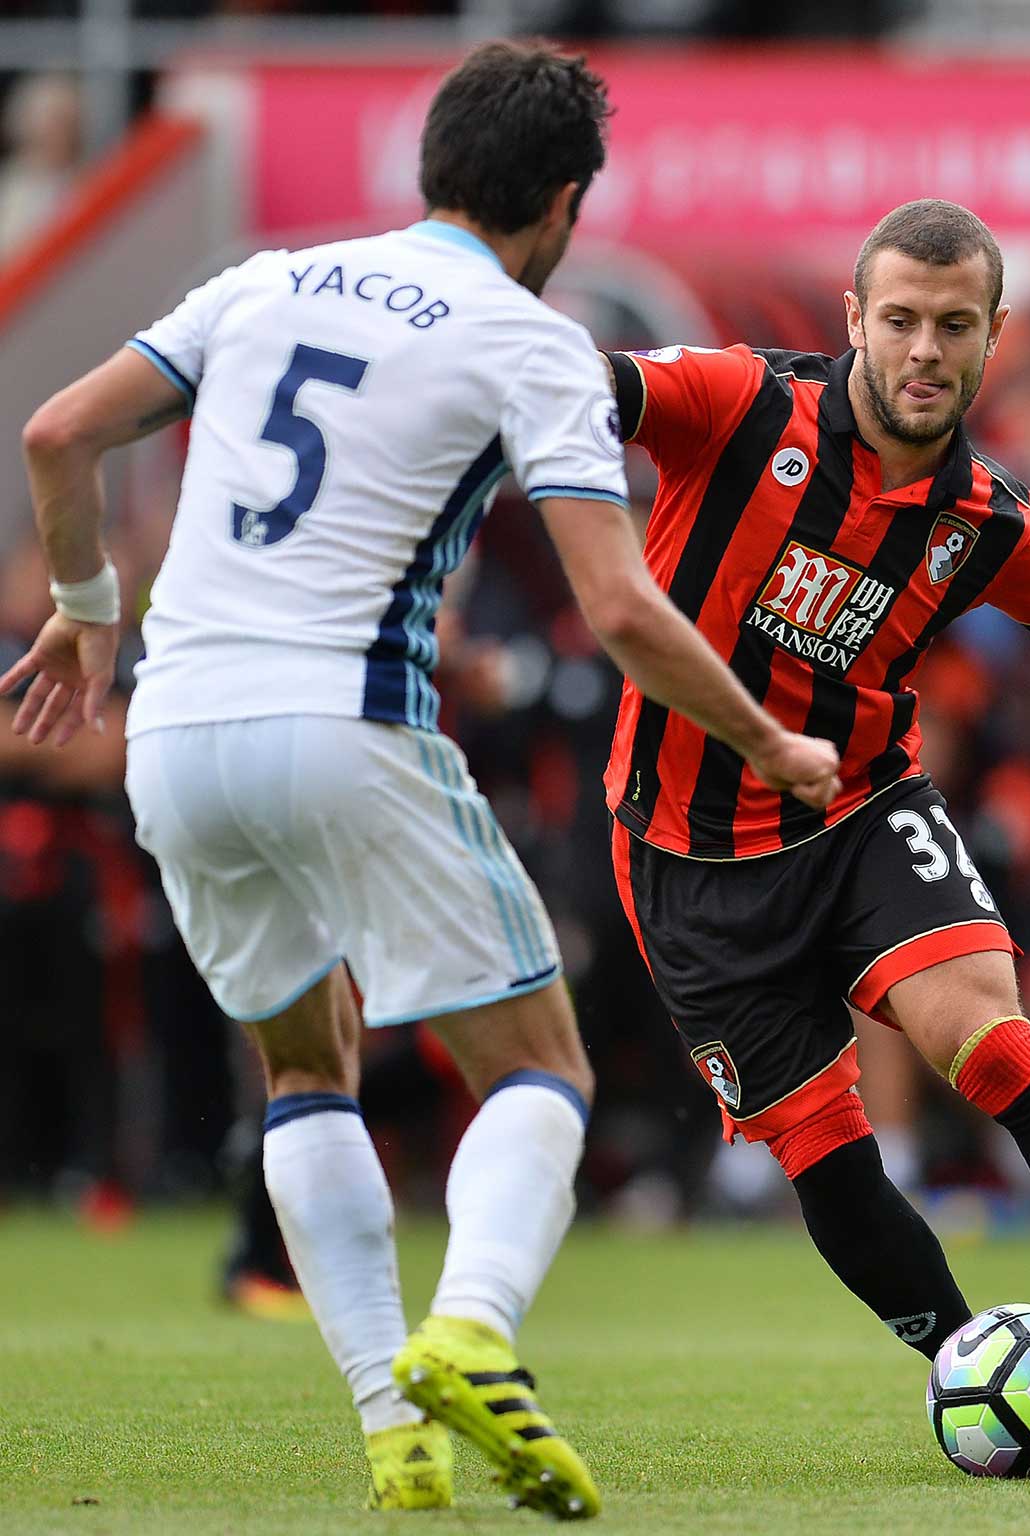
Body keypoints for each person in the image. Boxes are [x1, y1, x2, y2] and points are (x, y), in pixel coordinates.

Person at [4, 40, 838, 1517]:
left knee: (306, 1064)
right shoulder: (530, 341)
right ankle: (477, 1331)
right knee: (539, 1066)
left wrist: (84, 602)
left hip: (175, 735)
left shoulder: (268, 282)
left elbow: (57, 431)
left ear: (433, 165)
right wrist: (770, 739)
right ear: (567, 202)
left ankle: (396, 1427)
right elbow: (625, 610)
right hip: (344, 723)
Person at [600, 197, 1030, 1414]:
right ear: (853, 318)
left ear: (993, 335)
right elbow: (583, 389)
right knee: (825, 1151)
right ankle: (977, 1371)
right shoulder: (741, 404)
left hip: (861, 815)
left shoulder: (987, 518)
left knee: (990, 1045)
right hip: (683, 859)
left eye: (953, 325)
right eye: (899, 320)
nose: (924, 349)